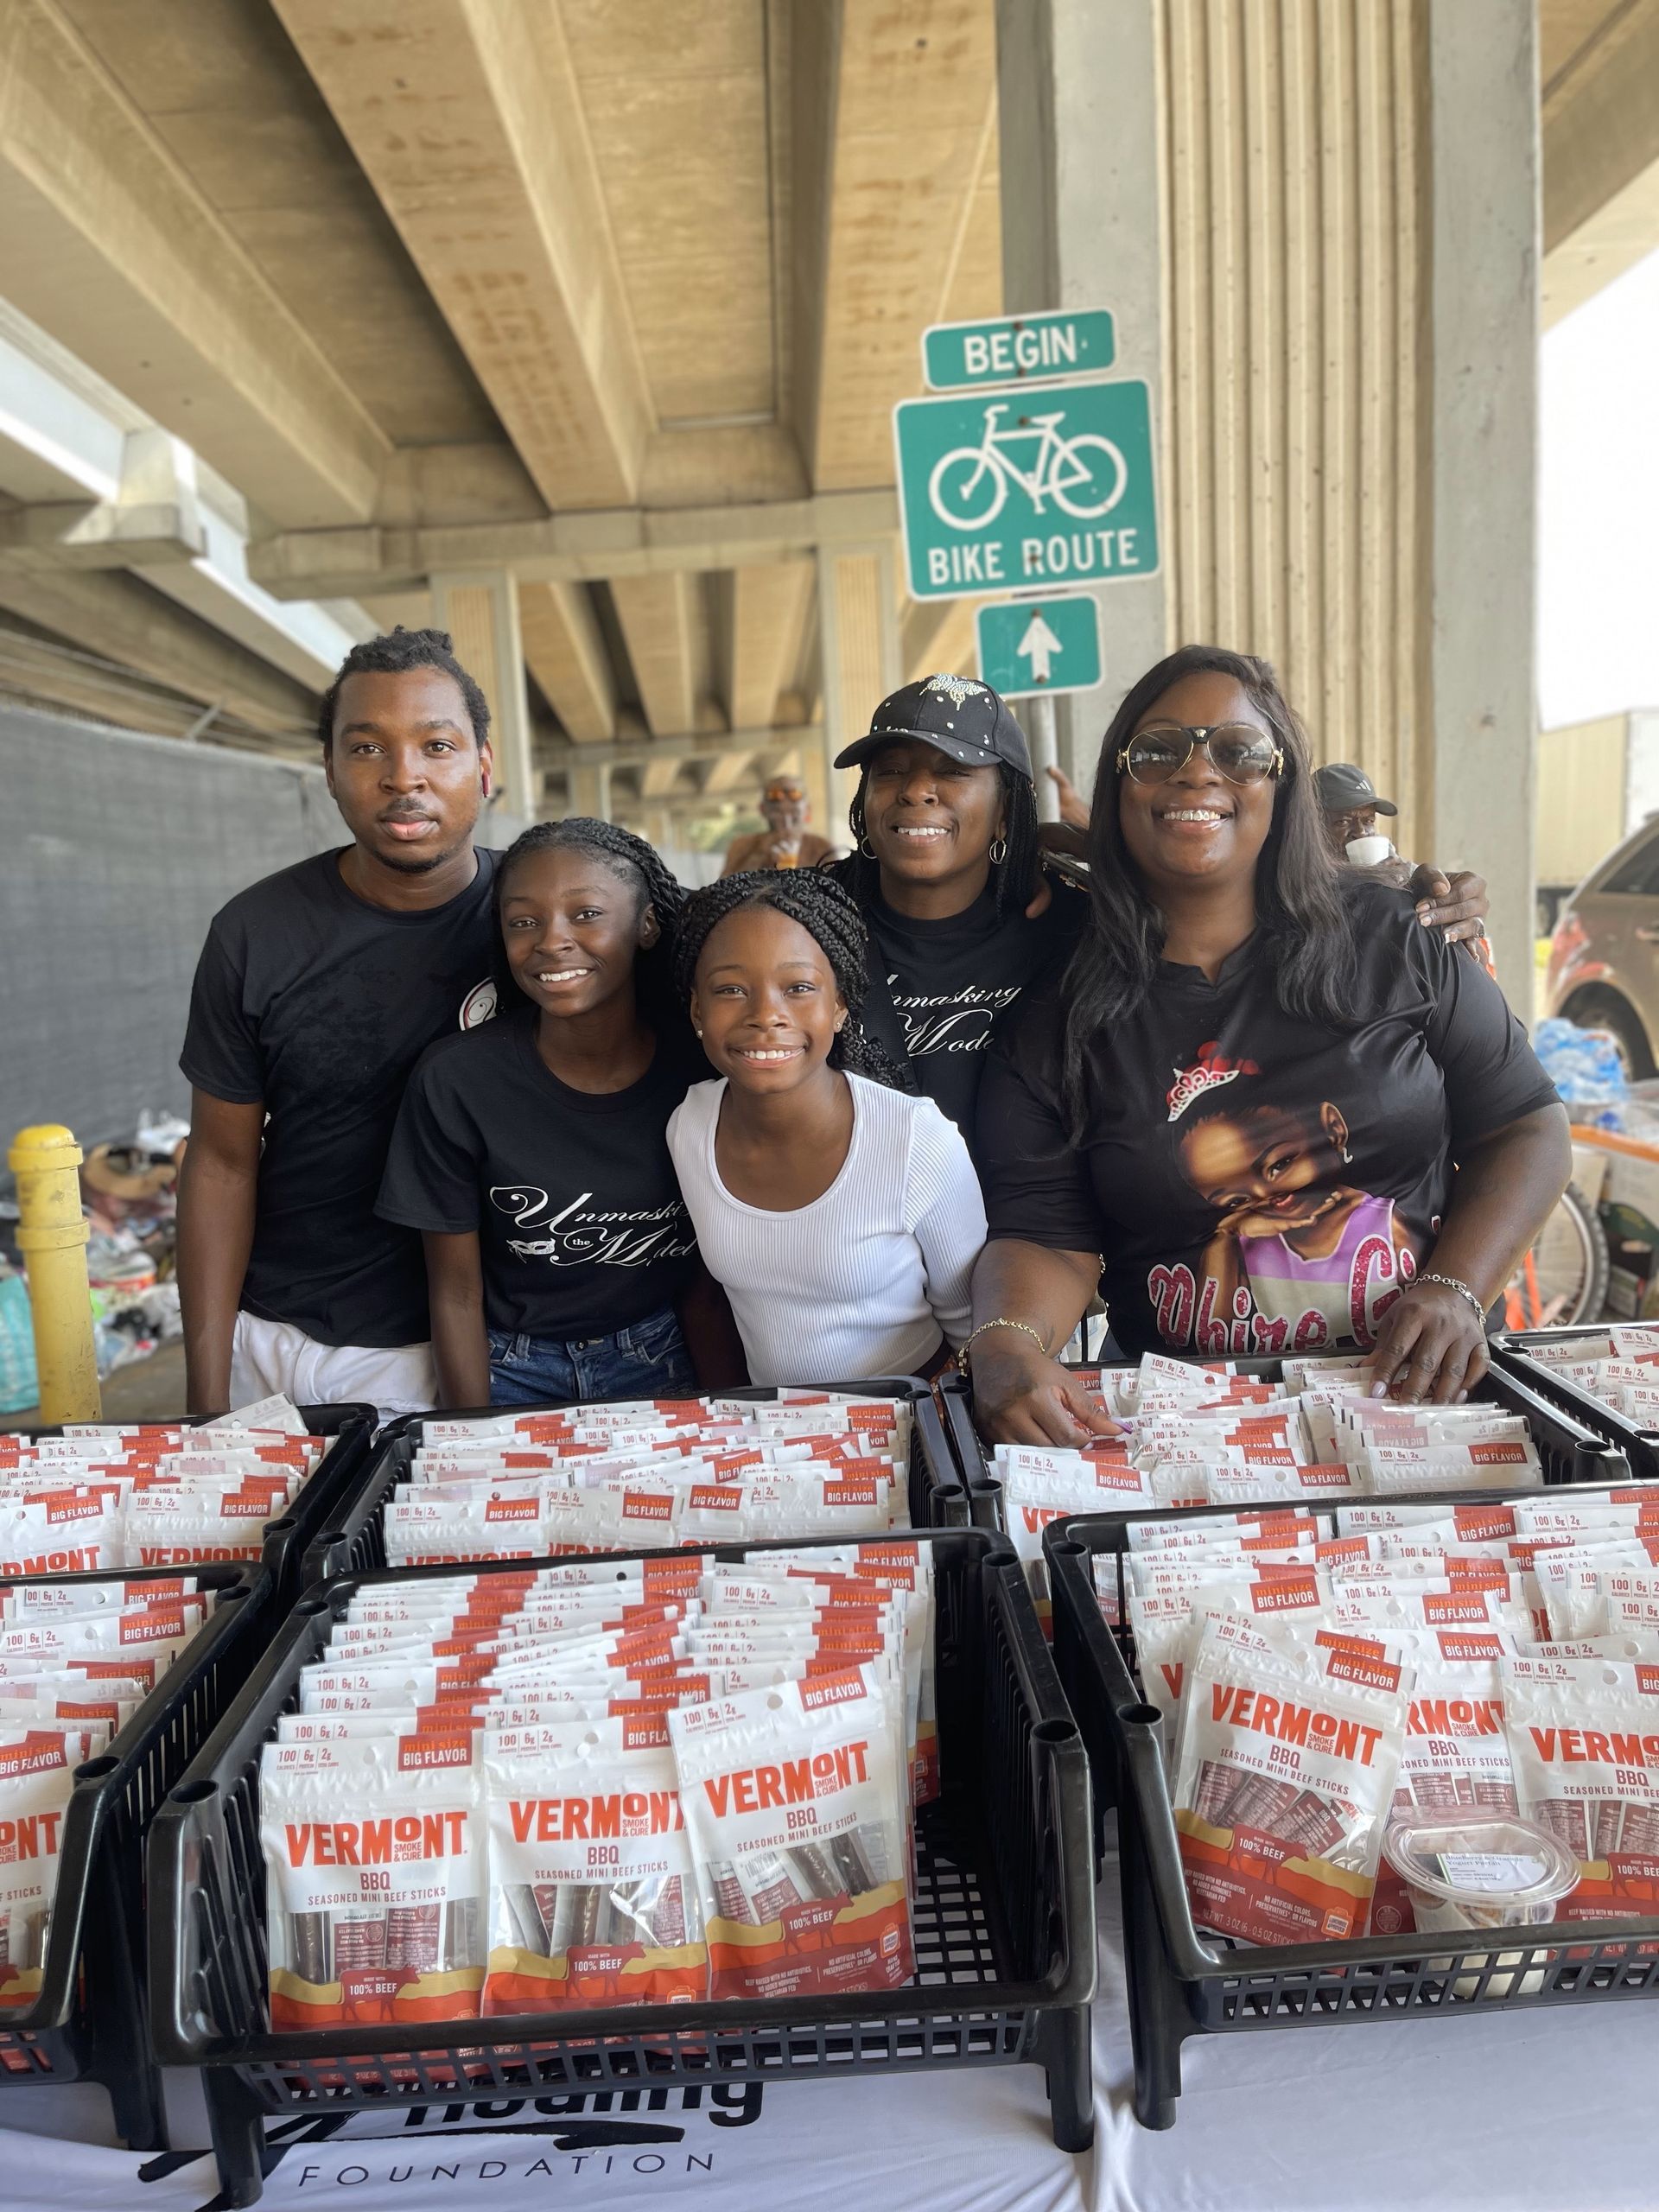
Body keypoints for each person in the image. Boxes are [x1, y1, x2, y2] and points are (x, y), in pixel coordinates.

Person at [965, 645, 1570, 1441]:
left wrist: (1457, 1284)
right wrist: (1006, 1340)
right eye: (1157, 750)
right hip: (1188, 1430)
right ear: (1119, 787)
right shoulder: (1058, 1017)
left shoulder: (1398, 938)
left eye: (1237, 751)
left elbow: (1525, 1124)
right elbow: (1046, 1233)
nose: (1196, 771)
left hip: (1423, 1408)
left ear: (1282, 785)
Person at [176, 627, 501, 1418]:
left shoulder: (538, 928)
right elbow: (221, 1164)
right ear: (328, 771)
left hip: (461, 1351)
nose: (404, 777)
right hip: (274, 1341)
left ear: (484, 768)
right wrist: (207, 1394)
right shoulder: (255, 933)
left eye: (436, 745)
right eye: (366, 749)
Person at [377, 820, 729, 1408]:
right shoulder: (457, 1081)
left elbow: (705, 1281)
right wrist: (473, 1434)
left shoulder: (701, 1068)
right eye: (523, 921)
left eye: (586, 913)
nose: (550, 940)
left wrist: (726, 1414)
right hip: (509, 1366)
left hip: (662, 1352)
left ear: (646, 924)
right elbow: (457, 1293)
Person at [667, 871, 985, 1384]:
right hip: (775, 1435)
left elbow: (972, 1326)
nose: (766, 1015)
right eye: (730, 989)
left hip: (907, 1421)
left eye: (798, 988)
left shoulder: (913, 1139)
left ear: (839, 1005)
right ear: (697, 1009)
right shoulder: (690, 1126)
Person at [829, 673, 1086, 1157]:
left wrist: (1106, 861)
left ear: (1006, 808)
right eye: (890, 770)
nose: (916, 790)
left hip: (1039, 1225)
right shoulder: (808, 923)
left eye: (953, 771)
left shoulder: (1072, 927)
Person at [1050, 753, 1492, 949]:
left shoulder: (1401, 878)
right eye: (1343, 821)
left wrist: (1448, 905)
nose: (1361, 832)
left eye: (1369, 820)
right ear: (1307, 827)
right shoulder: (1274, 884)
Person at [719, 774, 834, 874]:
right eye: (778, 813)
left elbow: (836, 890)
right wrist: (762, 857)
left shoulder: (821, 847)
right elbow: (722, 887)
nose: (786, 822)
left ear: (807, 809)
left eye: (794, 814)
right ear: (762, 810)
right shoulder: (742, 845)